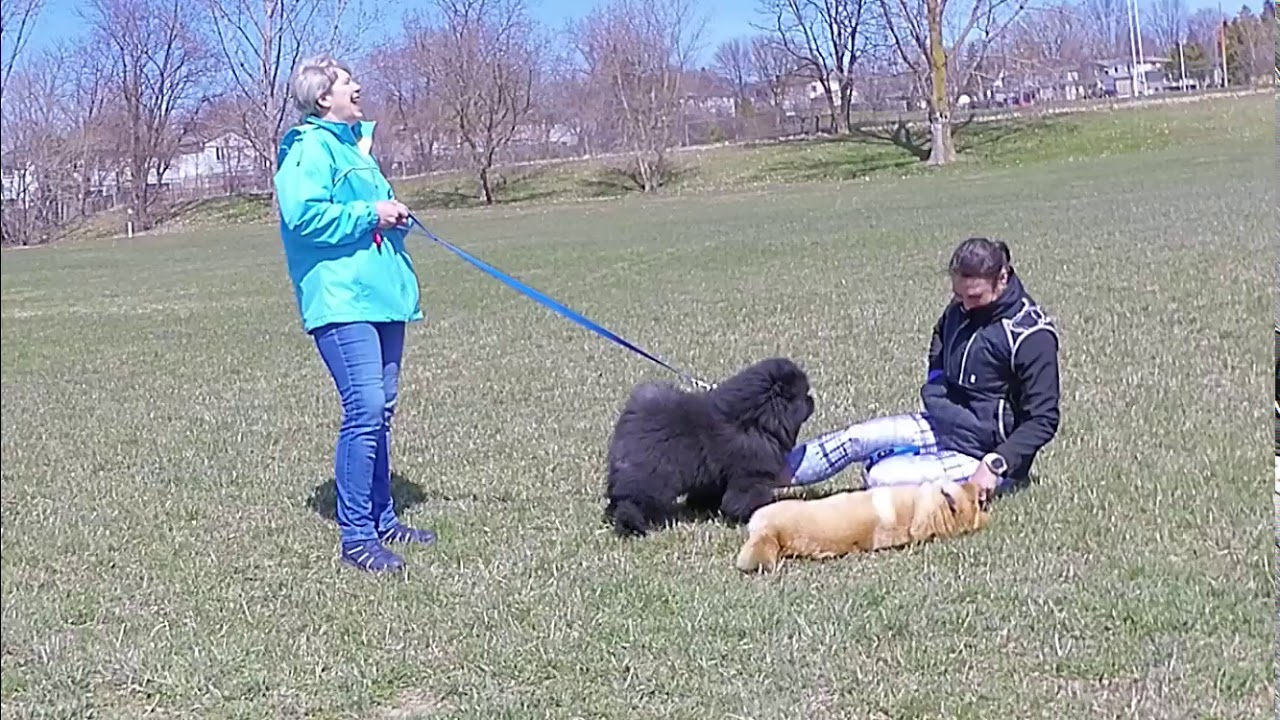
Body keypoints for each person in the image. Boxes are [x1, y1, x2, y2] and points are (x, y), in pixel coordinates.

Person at [274, 53, 435, 574]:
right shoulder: (308, 147)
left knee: (380, 411)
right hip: (341, 300)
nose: (358, 86)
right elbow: (303, 216)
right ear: (324, 97)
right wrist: (371, 211)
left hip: (381, 295)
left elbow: (370, 215)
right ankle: (357, 537)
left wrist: (392, 216)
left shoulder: (355, 148)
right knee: (364, 409)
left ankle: (384, 518)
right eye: (348, 82)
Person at [785, 237, 1061, 495]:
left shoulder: (1031, 336)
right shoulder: (963, 306)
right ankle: (764, 478)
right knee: (853, 439)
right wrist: (937, 379)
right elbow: (941, 333)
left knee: (881, 477)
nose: (964, 305)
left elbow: (1043, 419)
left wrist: (997, 463)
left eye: (974, 296)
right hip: (941, 424)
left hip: (982, 454)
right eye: (958, 295)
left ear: (1002, 278)